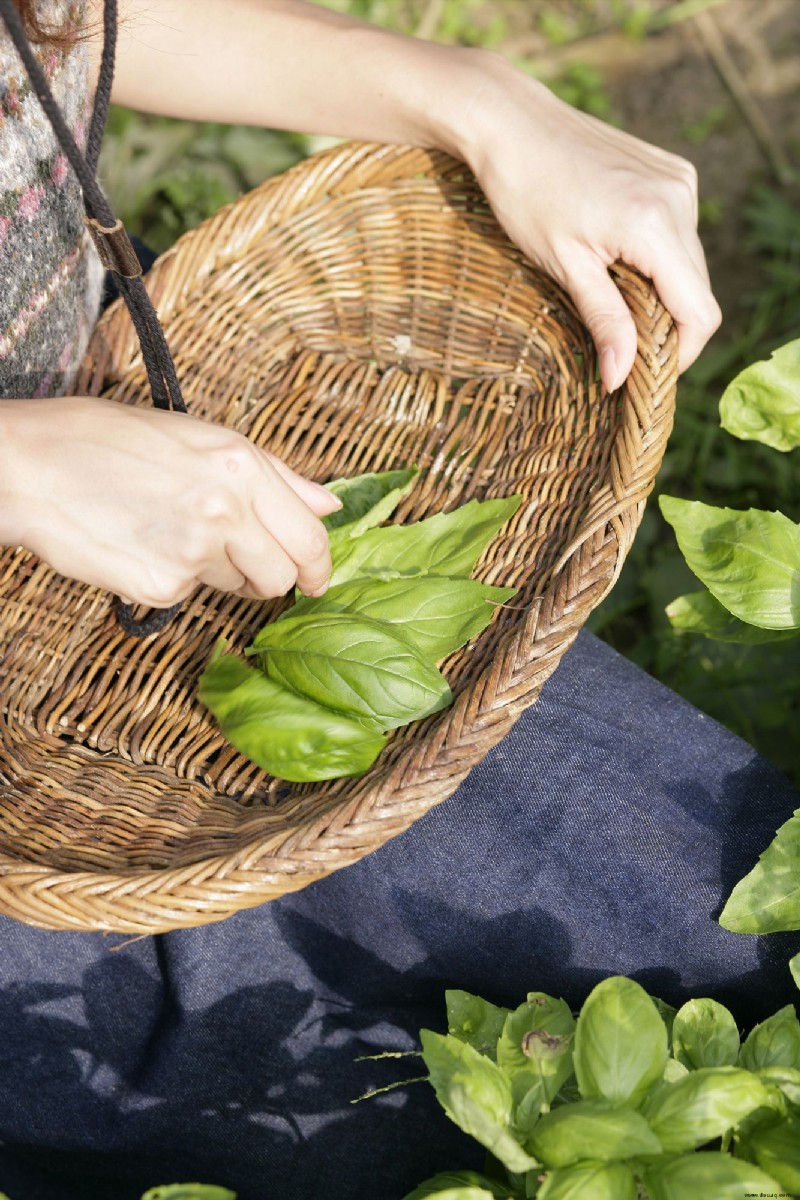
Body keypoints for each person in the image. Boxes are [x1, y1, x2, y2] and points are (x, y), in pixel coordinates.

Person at [0, 3, 797, 1199]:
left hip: (162, 517)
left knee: (717, 922)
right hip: (48, 799)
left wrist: (477, 97)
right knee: (308, 1125)